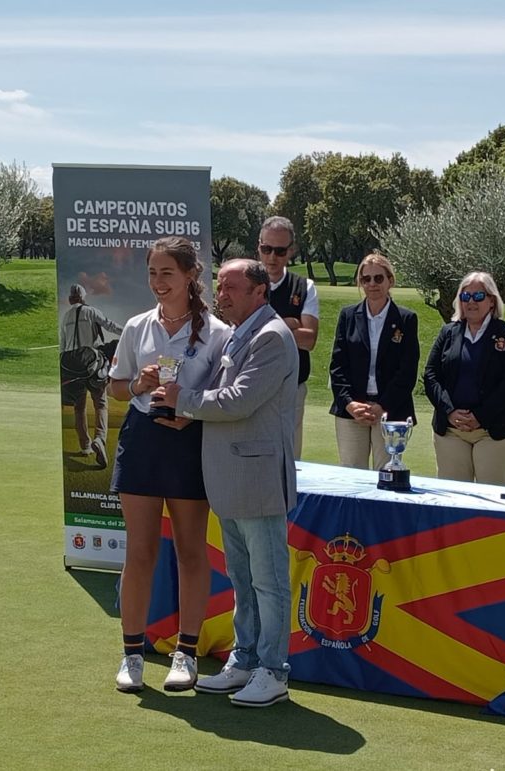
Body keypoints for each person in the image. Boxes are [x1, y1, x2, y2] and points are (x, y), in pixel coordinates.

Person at [152, 258, 298, 708]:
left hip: (256, 479)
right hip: (232, 479)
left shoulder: (271, 336)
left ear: (259, 291)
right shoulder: (241, 331)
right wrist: (183, 412)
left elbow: (239, 400)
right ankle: (245, 660)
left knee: (268, 582)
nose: (222, 294)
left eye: (231, 287)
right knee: (242, 577)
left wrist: (184, 400)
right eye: (219, 286)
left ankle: (273, 671)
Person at [106, 237, 231, 693]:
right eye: (153, 273)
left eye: (167, 273)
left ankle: (186, 653)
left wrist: (190, 412)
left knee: (191, 551)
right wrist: (139, 382)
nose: (159, 282)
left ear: (190, 276)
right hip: (141, 441)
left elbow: (222, 396)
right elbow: (117, 388)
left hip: (188, 443)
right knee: (139, 553)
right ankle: (132, 655)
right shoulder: (138, 326)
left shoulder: (217, 332)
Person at [423, 271, 505, 486]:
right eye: (465, 296)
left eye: (478, 296)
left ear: (491, 301)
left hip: (495, 431)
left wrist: (480, 415)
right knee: (453, 498)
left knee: (491, 501)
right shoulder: (448, 332)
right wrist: (449, 410)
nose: (471, 302)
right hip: (451, 430)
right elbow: (431, 375)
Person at [329, 253, 420, 469]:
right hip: (352, 411)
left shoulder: (406, 319)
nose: (372, 284)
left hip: (391, 412)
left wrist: (382, 406)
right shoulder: (348, 316)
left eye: (378, 278)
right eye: (366, 279)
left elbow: (407, 371)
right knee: (353, 477)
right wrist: (350, 404)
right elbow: (338, 366)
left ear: (390, 281)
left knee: (386, 474)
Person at [257, 215, 319, 459]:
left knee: (289, 460)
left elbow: (309, 340)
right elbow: (235, 332)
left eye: (280, 251)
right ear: (258, 246)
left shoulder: (304, 286)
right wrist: (288, 324)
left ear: (291, 251)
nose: (272, 257)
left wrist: (263, 327)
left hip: (291, 387)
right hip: (247, 385)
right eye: (267, 249)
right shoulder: (241, 282)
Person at [60, 283, 123, 468]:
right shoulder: (92, 311)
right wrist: (128, 332)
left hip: (72, 366)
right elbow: (110, 325)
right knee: (101, 404)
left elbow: (63, 345)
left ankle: (85, 446)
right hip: (92, 362)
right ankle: (100, 439)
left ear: (71, 298)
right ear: (83, 297)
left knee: (79, 408)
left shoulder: (65, 317)